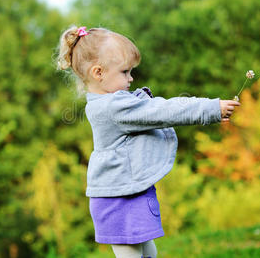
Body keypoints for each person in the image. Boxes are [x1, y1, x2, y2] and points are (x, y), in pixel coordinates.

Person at [56, 25, 240, 258]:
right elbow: (163, 111)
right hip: (118, 198)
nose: (131, 78)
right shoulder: (113, 106)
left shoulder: (108, 102)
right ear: (98, 73)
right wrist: (210, 109)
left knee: (147, 253)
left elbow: (154, 113)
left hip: (128, 190)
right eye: (125, 72)